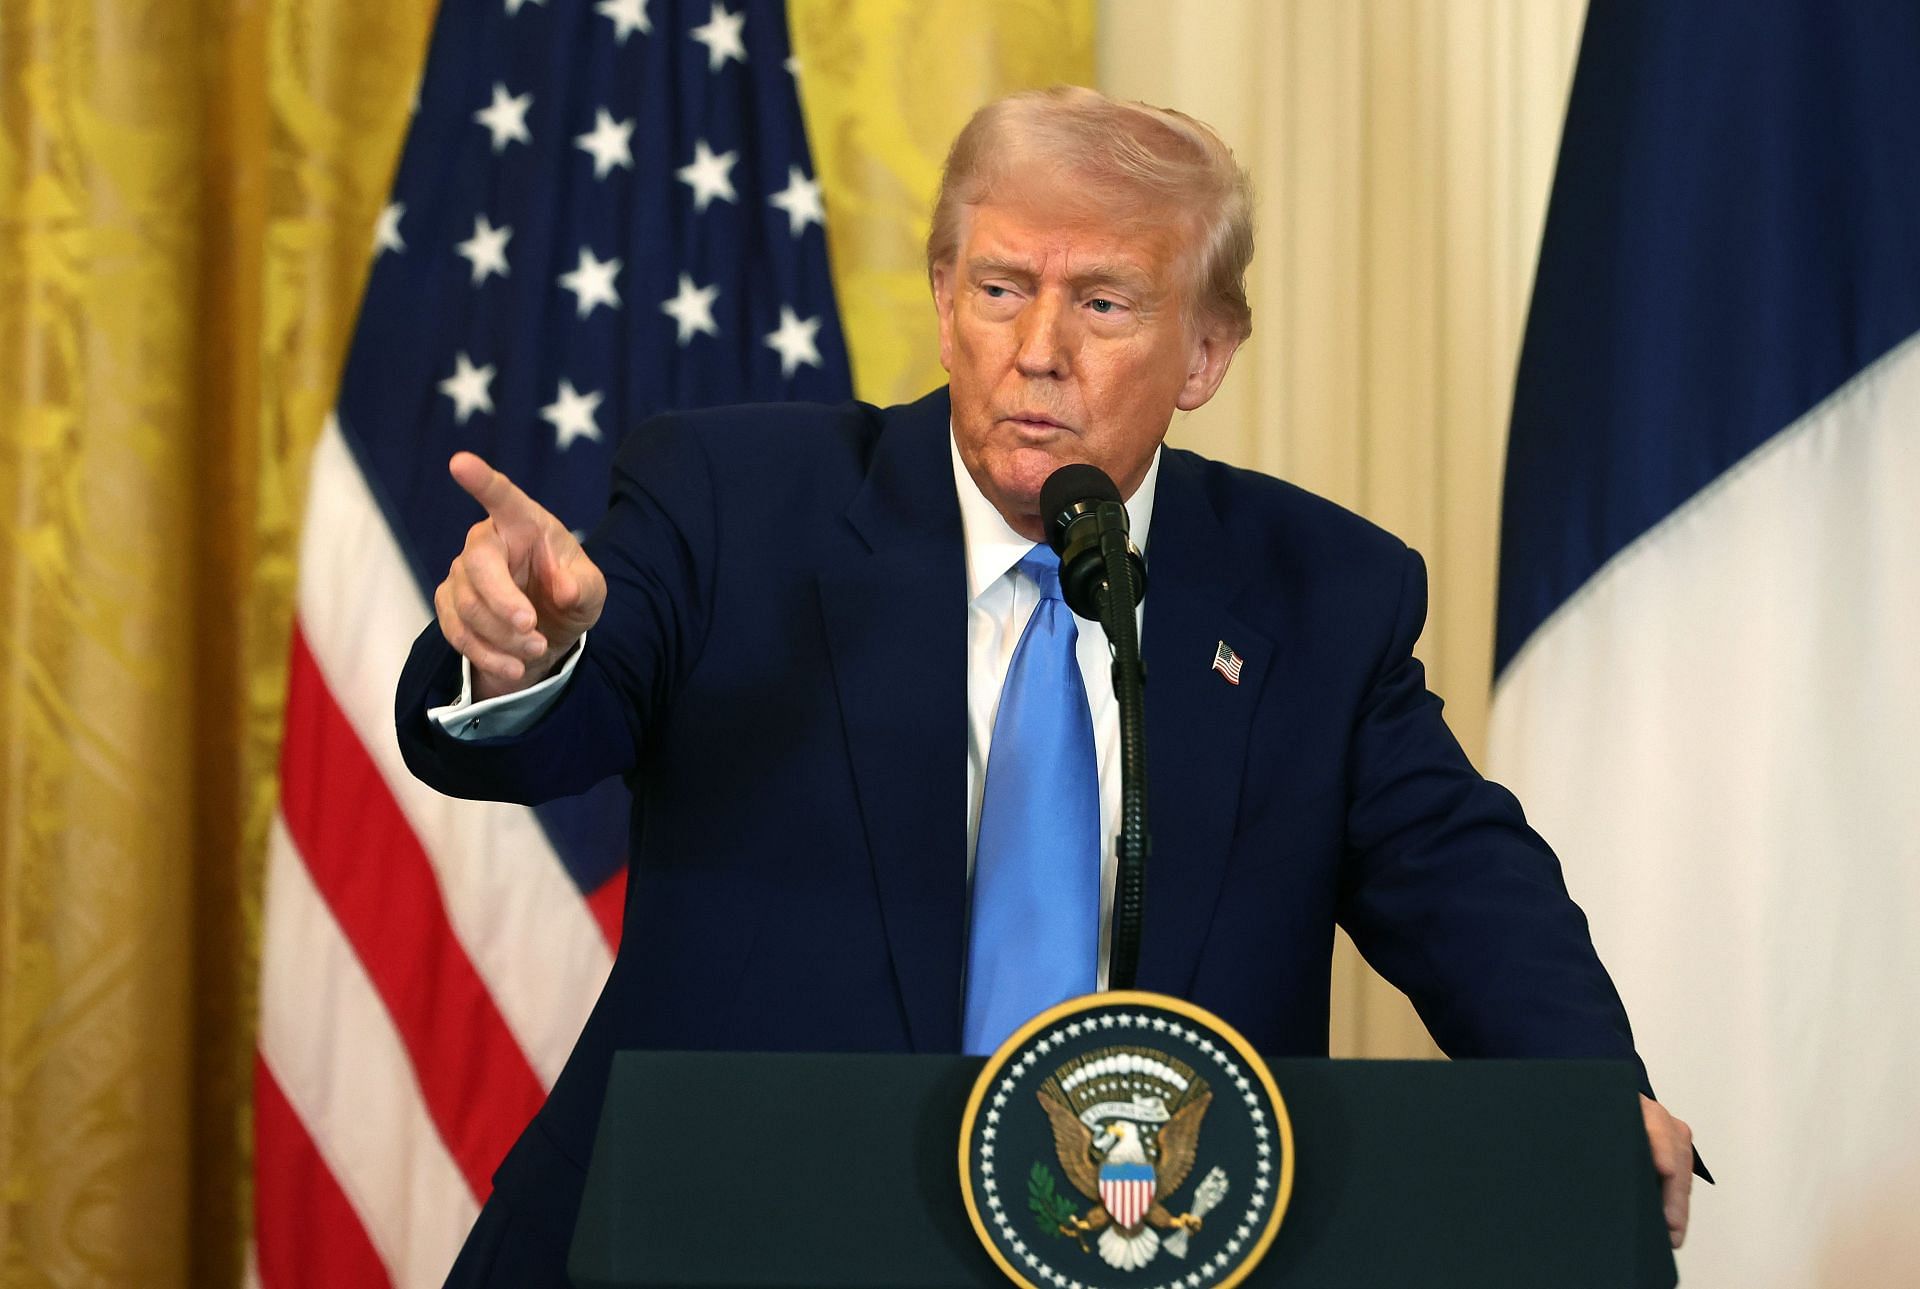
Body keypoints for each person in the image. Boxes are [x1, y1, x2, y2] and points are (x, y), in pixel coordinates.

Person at [397, 86, 1695, 1286]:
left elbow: (1462, 879)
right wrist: (523, 655)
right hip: (720, 1233)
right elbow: (553, 720)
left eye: (1106, 304)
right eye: (1002, 287)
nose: (1038, 349)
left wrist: (1590, 1098)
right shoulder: (736, 503)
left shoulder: (1319, 593)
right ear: (945, 294)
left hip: (1128, 1245)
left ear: (1205, 354)